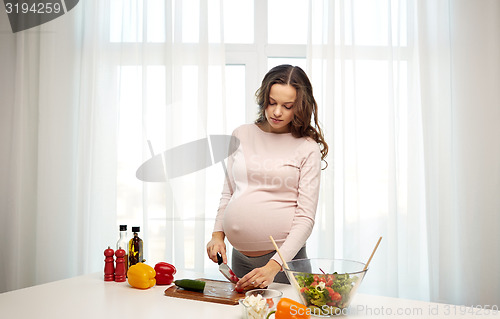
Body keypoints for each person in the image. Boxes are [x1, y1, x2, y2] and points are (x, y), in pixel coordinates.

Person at [206, 64, 328, 291]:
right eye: (272, 102)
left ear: (300, 107)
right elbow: (229, 192)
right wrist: (217, 235)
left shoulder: (307, 148)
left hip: (285, 263)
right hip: (239, 259)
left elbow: (305, 219)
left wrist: (273, 266)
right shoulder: (241, 134)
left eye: (287, 106)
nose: (277, 112)